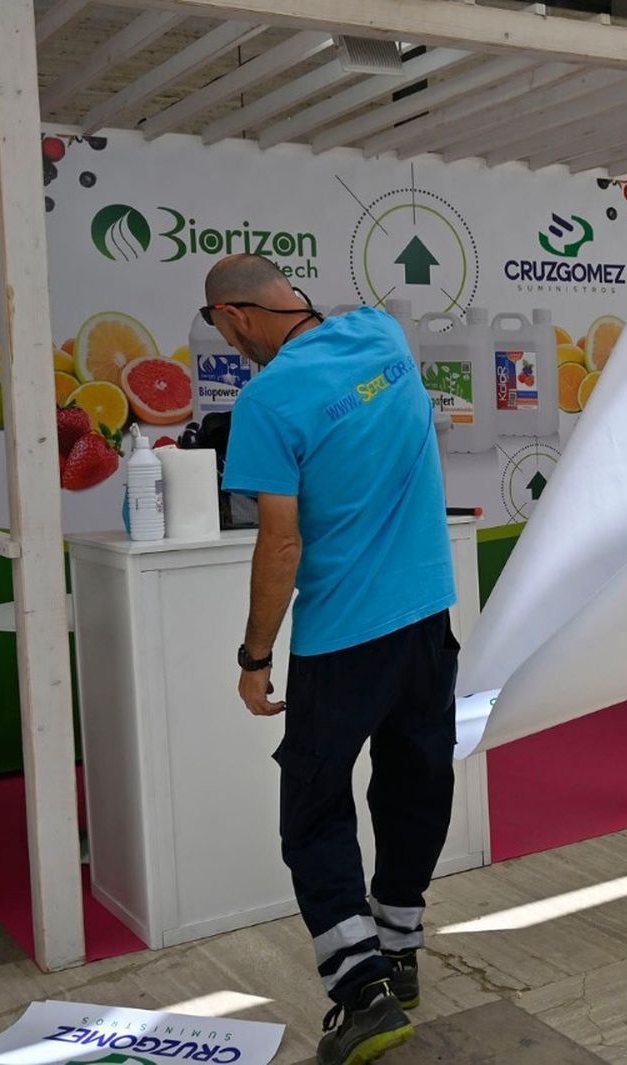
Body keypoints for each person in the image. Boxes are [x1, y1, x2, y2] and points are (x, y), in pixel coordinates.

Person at [206, 254, 457, 1064]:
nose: (231, 344)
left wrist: (254, 655)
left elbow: (280, 544)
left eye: (223, 330)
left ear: (234, 315)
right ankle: (399, 947)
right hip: (427, 617)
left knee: (313, 809)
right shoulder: (382, 333)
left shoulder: (267, 400)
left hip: (343, 636)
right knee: (414, 782)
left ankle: (363, 993)